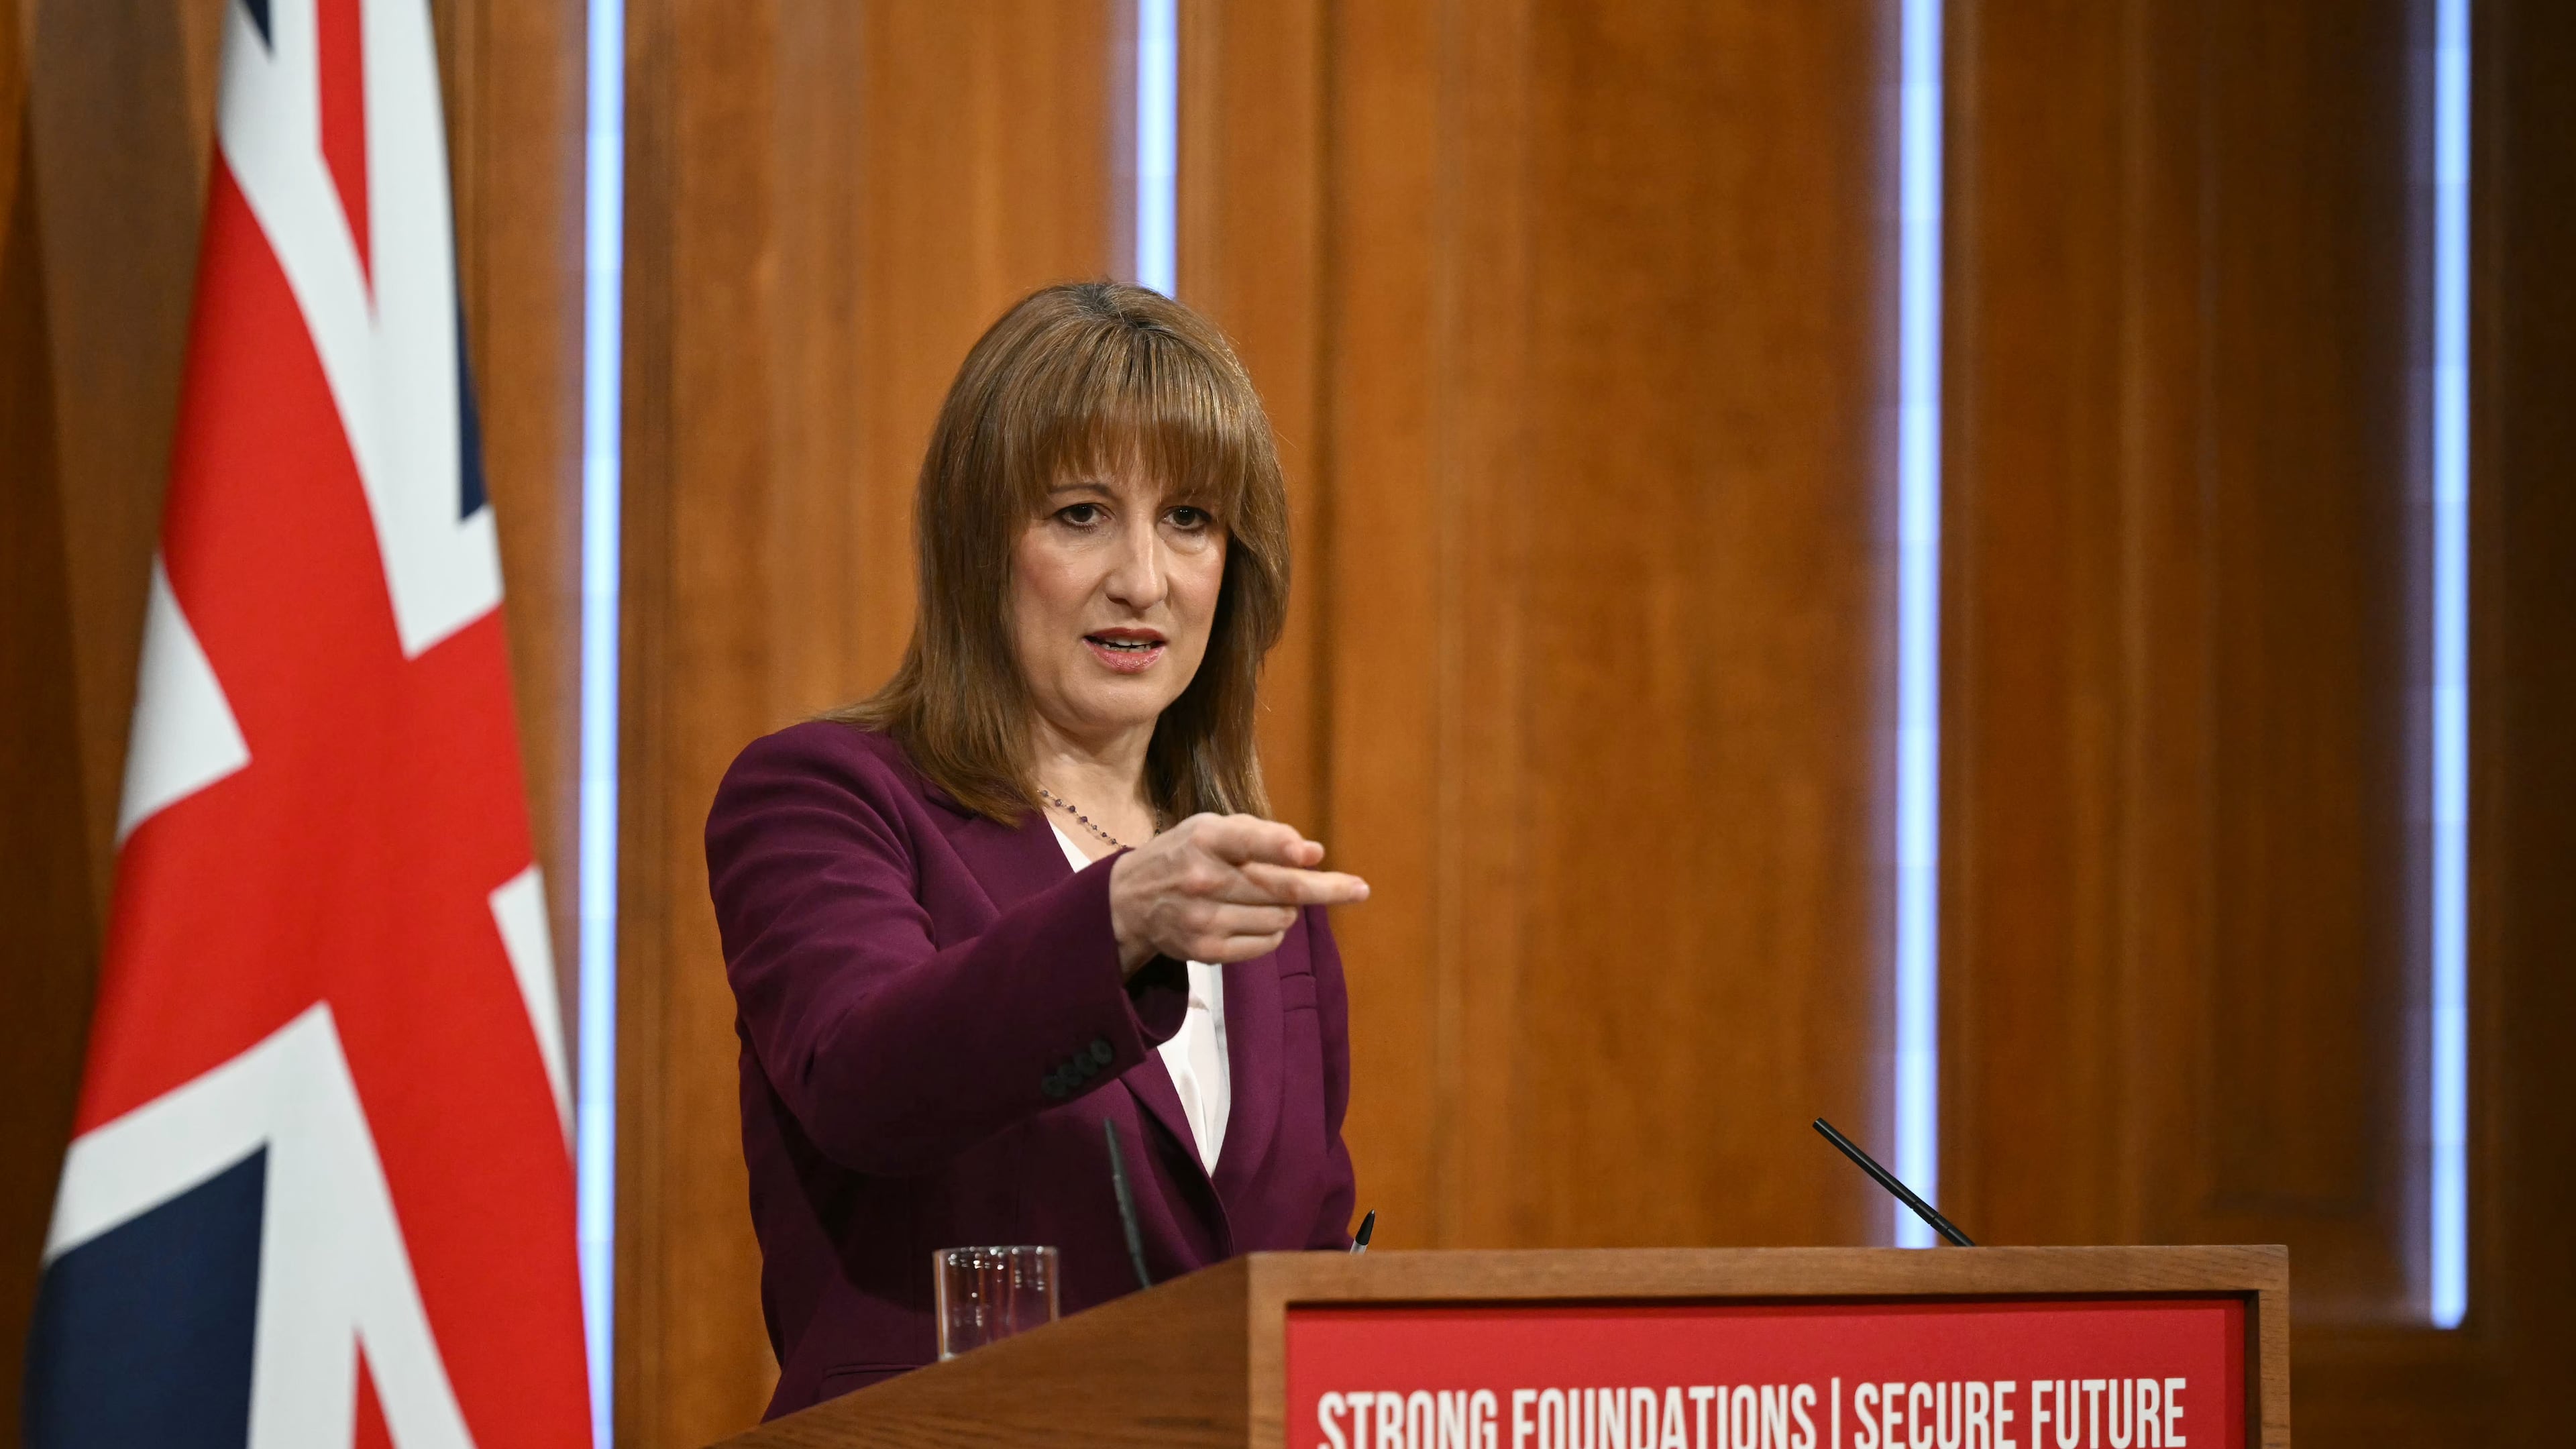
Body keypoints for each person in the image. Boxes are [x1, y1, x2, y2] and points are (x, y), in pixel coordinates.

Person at [705, 280, 1371, 1419]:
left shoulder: (1250, 884)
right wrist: (1118, 920)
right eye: (1080, 514)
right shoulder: (825, 797)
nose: (1143, 579)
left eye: (1189, 519)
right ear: (978, 546)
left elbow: (1301, 1251)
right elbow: (863, 1082)